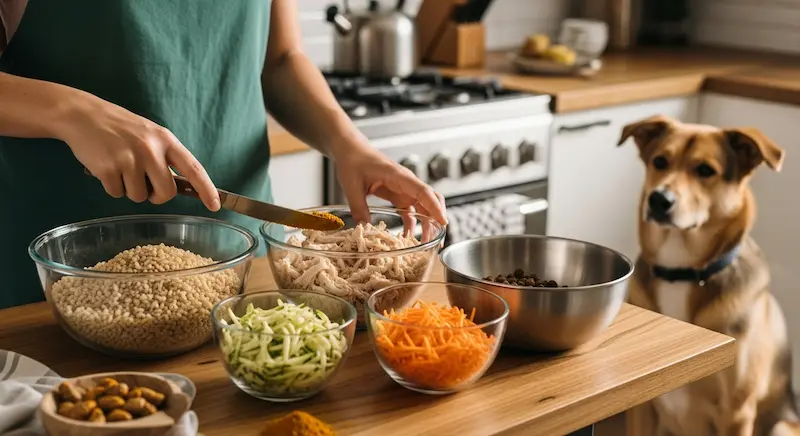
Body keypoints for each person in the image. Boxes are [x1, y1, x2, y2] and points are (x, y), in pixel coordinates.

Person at [0, 0, 447, 309]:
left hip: (238, 263)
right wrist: (72, 112)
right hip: (57, 274)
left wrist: (349, 145)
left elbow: (281, 58)